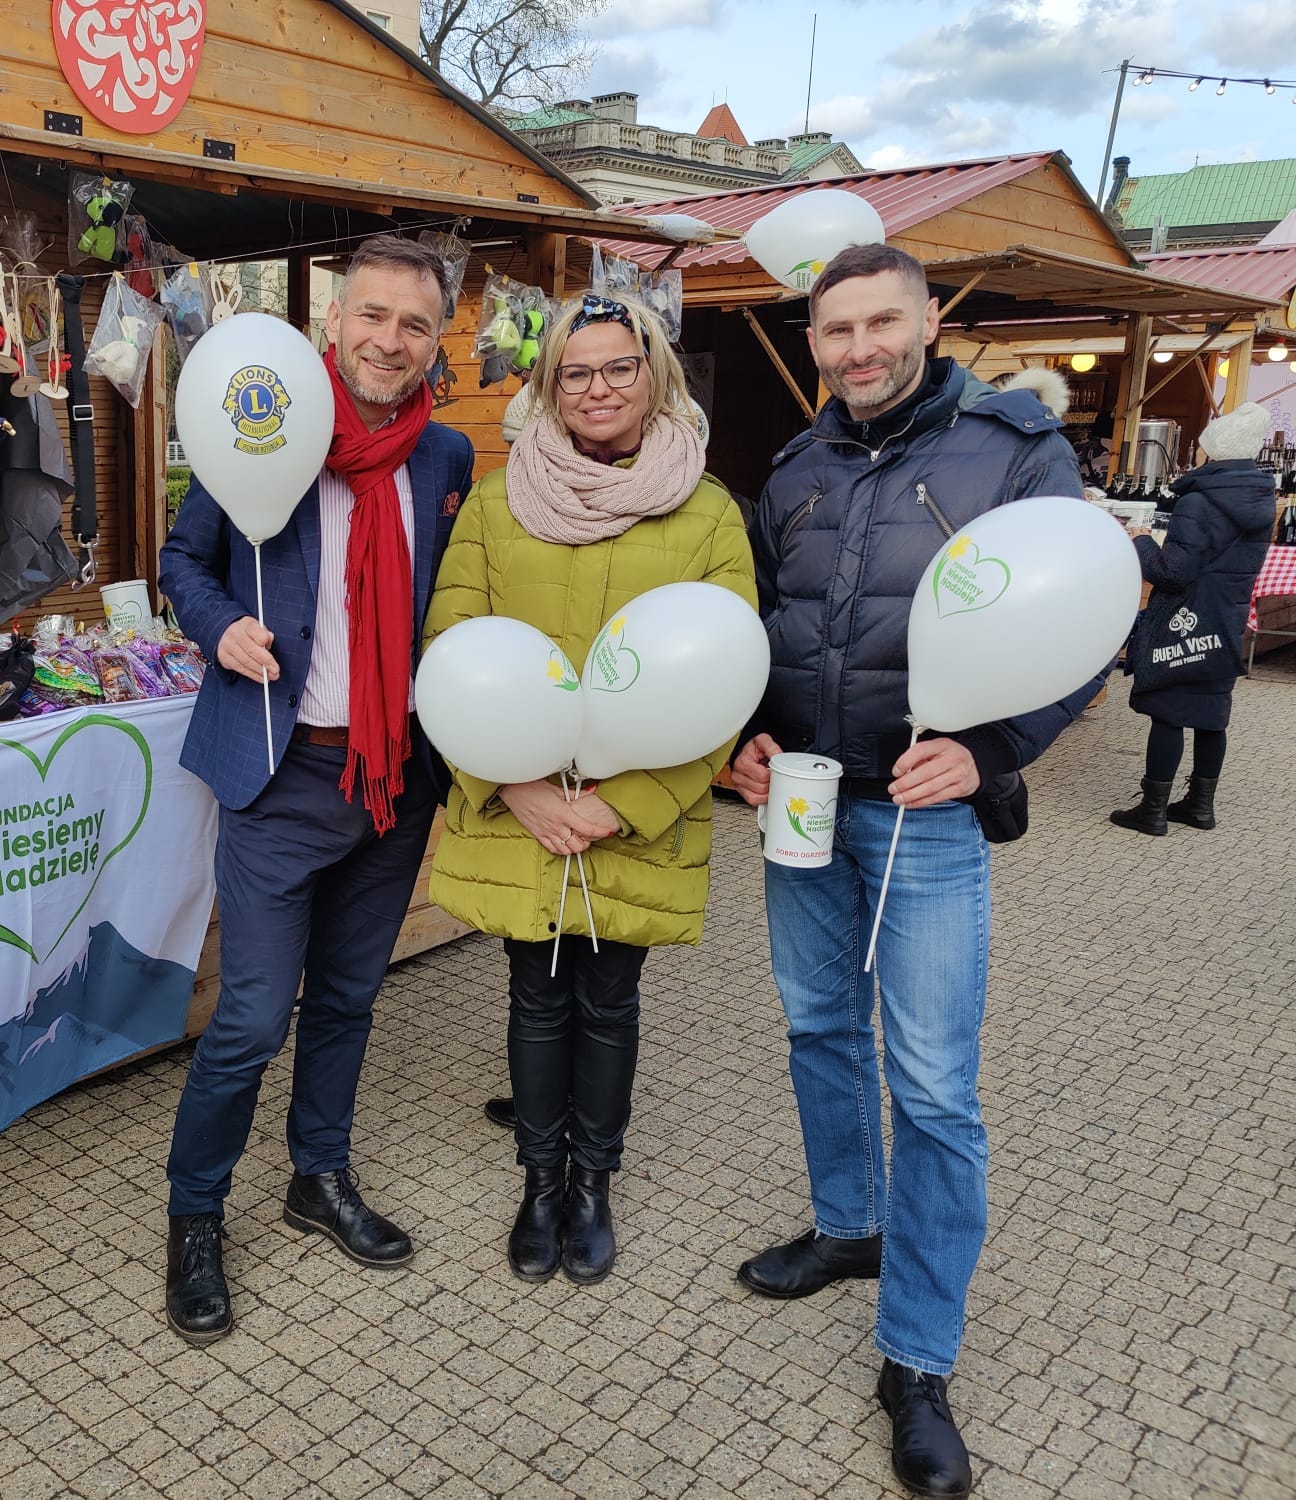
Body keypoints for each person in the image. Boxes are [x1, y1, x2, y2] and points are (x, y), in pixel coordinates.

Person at [730, 243, 1091, 1499]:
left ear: (930, 320)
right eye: (835, 330)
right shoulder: (794, 467)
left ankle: (917, 1359)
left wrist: (993, 751)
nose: (859, 349)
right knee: (816, 1026)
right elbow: (765, 627)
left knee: (933, 1090)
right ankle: (848, 1226)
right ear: (813, 342)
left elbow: (1082, 621)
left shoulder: (1014, 452)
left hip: (924, 818)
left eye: (881, 322)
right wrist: (743, 733)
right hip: (803, 802)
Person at [157, 236, 474, 1345]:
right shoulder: (264, 421)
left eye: (414, 324)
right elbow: (181, 563)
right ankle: (195, 1215)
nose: (389, 340)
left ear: (436, 340)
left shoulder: (445, 457)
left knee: (346, 998)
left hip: (392, 776)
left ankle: (316, 1176)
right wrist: (218, 628)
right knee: (250, 1018)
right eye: (372, 315)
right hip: (280, 768)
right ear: (333, 321)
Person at [424, 294, 754, 1285]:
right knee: (535, 995)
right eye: (575, 372)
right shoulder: (496, 504)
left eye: (618, 368)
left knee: (609, 999)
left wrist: (626, 805)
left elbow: (727, 678)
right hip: (523, 801)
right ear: (548, 385)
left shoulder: (707, 511)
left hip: (634, 806)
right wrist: (515, 786)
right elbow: (449, 652)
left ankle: (592, 1184)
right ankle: (539, 1182)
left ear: (653, 375)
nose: (597, 388)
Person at [1109, 402, 1276, 835]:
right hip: (1227, 618)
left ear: (1213, 450)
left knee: (1169, 710)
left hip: (1185, 618)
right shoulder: (1261, 498)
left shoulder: (1200, 501)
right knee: (1211, 714)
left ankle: (1152, 810)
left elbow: (1173, 572)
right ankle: (1200, 808)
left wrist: (1142, 543)